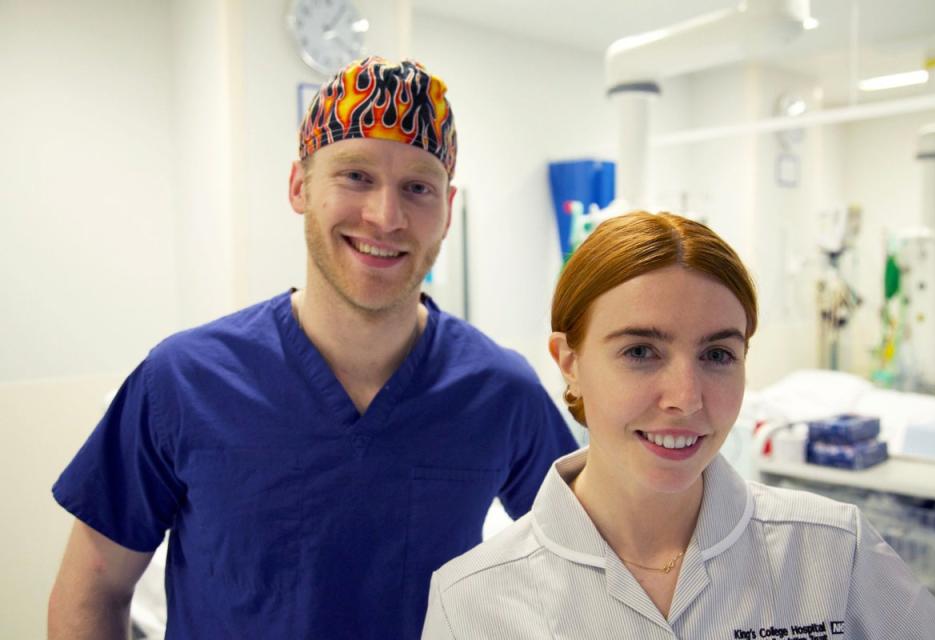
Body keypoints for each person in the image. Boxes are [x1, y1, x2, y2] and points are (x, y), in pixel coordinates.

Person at [48, 56, 577, 640]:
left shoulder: (500, 392)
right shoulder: (182, 381)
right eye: (355, 176)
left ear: (448, 211)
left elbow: (588, 570)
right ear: (300, 186)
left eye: (418, 187)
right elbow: (93, 592)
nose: (385, 216)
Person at [421, 211, 935, 639]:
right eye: (640, 351)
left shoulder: (832, 551)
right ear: (569, 361)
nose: (685, 397)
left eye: (718, 354)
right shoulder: (472, 601)